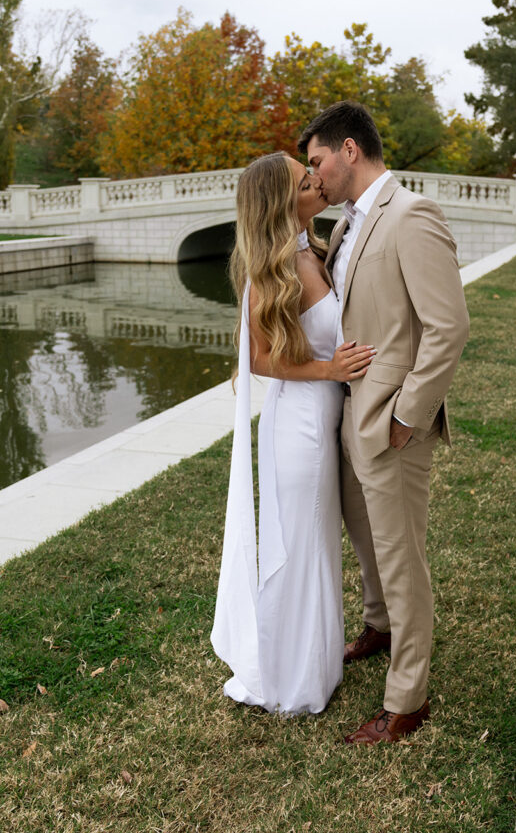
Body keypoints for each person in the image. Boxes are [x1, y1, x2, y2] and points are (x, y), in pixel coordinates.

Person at [299, 101, 470, 744]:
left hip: (391, 422)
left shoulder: (412, 215)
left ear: (350, 149)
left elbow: (447, 327)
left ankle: (407, 700)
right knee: (365, 538)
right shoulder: (345, 225)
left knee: (401, 557)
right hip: (350, 417)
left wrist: (408, 413)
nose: (313, 177)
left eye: (317, 162)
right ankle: (380, 624)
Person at [211, 152, 375, 714]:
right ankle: (289, 679)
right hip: (298, 424)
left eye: (314, 176)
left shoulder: (313, 248)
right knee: (299, 544)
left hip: (322, 415)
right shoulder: (271, 267)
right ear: (285, 202)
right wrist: (330, 369)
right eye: (308, 184)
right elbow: (258, 359)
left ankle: (317, 663)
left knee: (318, 541)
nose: (320, 184)